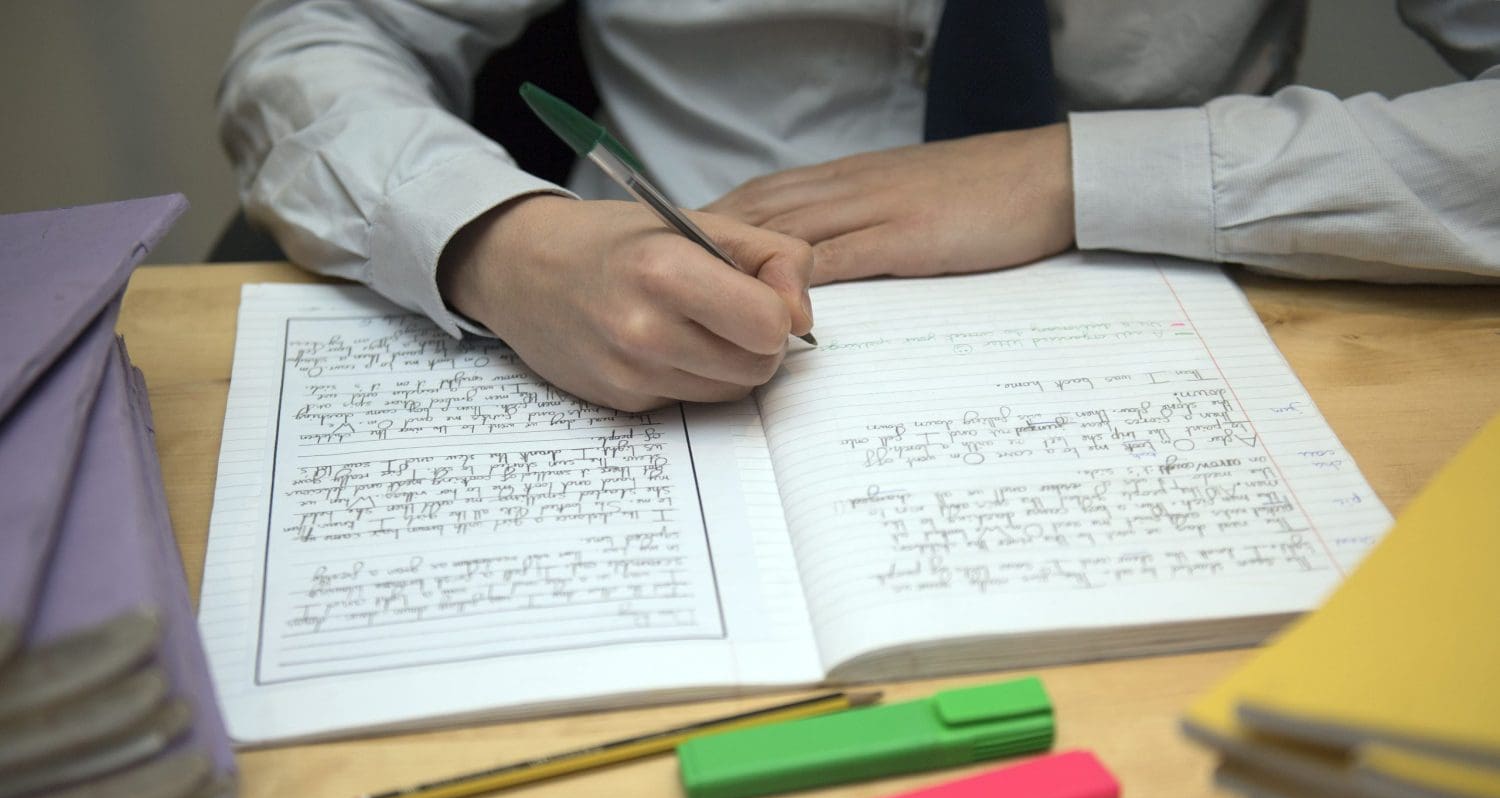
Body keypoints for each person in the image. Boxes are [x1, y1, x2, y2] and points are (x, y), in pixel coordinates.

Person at [218, 1, 1500, 412]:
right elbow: (318, 40)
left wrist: (1078, 172)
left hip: (1206, 355)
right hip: (639, 353)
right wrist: (503, 244)